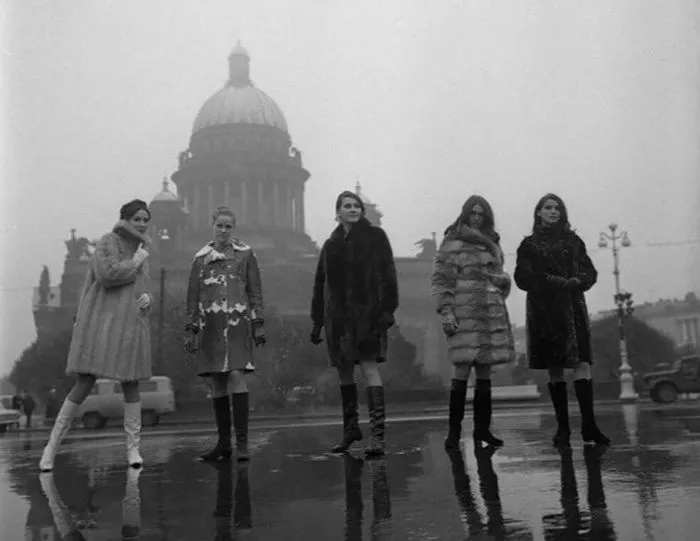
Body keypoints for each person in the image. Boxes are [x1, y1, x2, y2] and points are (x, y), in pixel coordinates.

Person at [39, 199, 154, 471]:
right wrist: (136, 261)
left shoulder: (141, 250)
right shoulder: (108, 242)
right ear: (125, 219)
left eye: (145, 220)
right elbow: (108, 275)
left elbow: (141, 287)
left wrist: (149, 299)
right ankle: (50, 448)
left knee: (131, 383)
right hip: (102, 323)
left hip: (129, 325)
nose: (141, 224)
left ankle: (133, 449)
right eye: (137, 219)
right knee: (85, 381)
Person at [514, 193, 610, 447]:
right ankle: (563, 428)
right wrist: (553, 282)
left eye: (557, 208)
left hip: (574, 308)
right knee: (555, 367)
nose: (553, 211)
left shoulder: (573, 241)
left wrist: (579, 281)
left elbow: (590, 271)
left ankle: (589, 426)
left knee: (582, 364)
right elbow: (523, 277)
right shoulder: (529, 245)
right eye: (548, 207)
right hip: (545, 312)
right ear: (538, 212)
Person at [310, 190, 398, 457]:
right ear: (338, 212)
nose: (353, 209)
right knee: (344, 371)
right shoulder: (331, 245)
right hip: (338, 318)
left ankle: (378, 435)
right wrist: (317, 321)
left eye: (356, 206)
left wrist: (386, 311)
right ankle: (351, 430)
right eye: (347, 206)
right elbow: (320, 284)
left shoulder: (376, 237)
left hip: (368, 316)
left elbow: (388, 276)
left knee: (370, 369)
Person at [431, 195, 515, 449]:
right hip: (464, 311)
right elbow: (442, 279)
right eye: (473, 213)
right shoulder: (452, 241)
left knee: (485, 370)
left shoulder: (493, 242)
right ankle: (453, 432)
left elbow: (498, 275)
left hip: (490, 311)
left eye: (481, 213)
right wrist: (447, 311)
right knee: (462, 369)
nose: (477, 217)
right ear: (465, 213)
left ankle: (482, 430)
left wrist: (503, 281)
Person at [185, 206, 266, 462]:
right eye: (219, 225)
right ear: (212, 226)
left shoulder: (245, 255)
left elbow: (255, 291)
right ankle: (224, 444)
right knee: (217, 382)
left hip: (237, 322)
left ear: (233, 228)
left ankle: (242, 443)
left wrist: (258, 323)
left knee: (236, 375)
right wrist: (190, 328)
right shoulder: (200, 259)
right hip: (211, 324)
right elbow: (192, 297)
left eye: (228, 226)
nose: (223, 230)